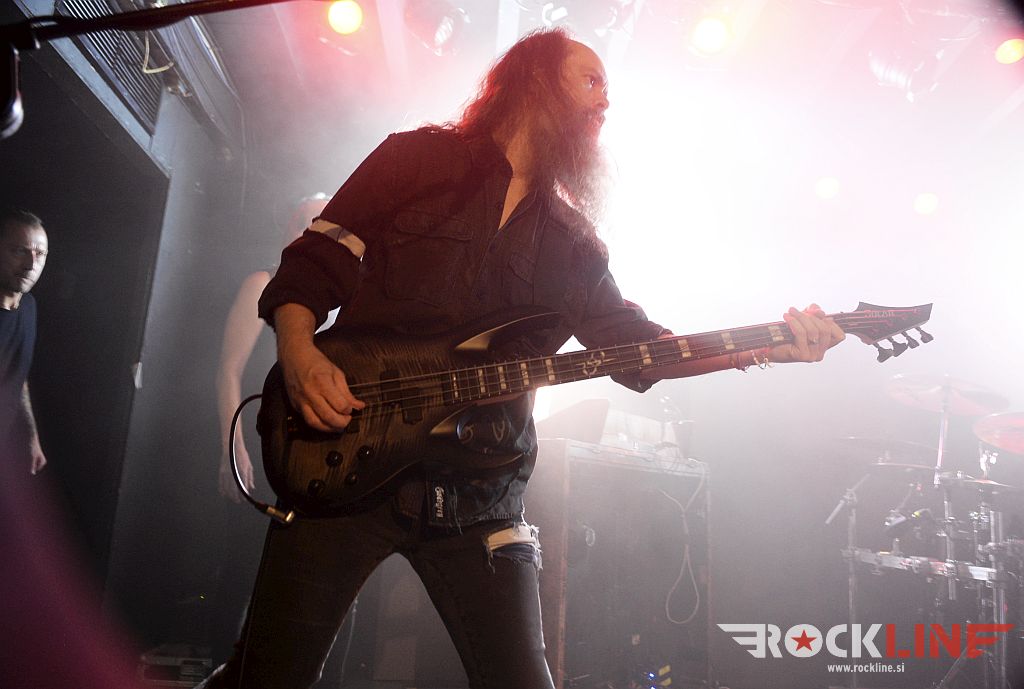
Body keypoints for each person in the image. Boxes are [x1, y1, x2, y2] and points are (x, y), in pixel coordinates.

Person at [200, 28, 844, 689]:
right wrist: (299, 352)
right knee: (266, 677)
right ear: (535, 79)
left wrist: (763, 348)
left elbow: (640, 350)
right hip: (344, 454)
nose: (605, 102)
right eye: (591, 81)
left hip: (481, 490)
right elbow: (315, 262)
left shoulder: (575, 246)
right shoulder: (414, 160)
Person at [216, 194, 329, 502]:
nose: (307, 233)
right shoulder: (262, 283)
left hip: (306, 456)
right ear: (287, 229)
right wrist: (233, 448)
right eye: (302, 223)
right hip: (260, 441)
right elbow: (229, 371)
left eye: (319, 227)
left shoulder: (331, 299)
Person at [0, 208, 49, 475]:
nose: (31, 264)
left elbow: (18, 375)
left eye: (40, 254)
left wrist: (32, 436)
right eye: (19, 251)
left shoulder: (28, 307)